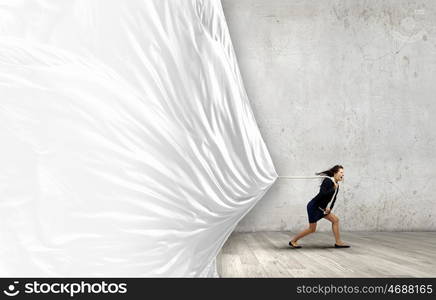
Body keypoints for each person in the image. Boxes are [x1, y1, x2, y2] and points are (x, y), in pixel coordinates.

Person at [289, 165, 350, 248]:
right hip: (314, 207)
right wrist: (333, 188)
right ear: (335, 173)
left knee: (335, 220)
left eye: (343, 173)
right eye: (341, 172)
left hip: (322, 209)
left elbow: (333, 199)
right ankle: (293, 241)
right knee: (312, 229)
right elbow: (322, 193)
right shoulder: (328, 181)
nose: (343, 175)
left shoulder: (336, 184)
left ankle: (338, 242)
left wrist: (330, 208)